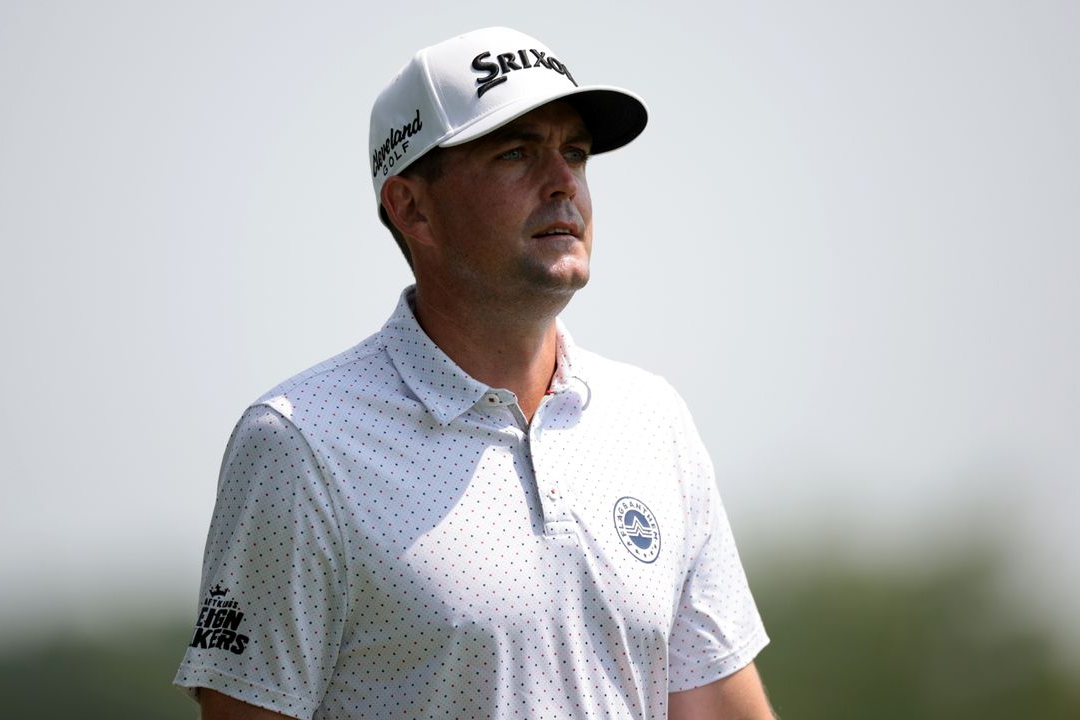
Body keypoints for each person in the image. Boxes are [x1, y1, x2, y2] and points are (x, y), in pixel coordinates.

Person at [174, 26, 775, 720]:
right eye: (516, 153)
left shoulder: (653, 421)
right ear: (412, 207)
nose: (563, 183)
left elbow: (718, 709)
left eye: (574, 152)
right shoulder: (299, 445)